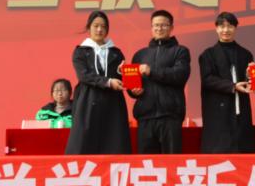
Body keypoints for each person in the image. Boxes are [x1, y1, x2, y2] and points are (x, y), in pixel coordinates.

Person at [65, 11, 132, 155]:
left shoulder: (116, 52)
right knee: (83, 144)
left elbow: (121, 80)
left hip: (112, 103)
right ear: (89, 28)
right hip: (87, 101)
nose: (99, 30)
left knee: (114, 143)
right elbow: (84, 76)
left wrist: (121, 72)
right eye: (96, 26)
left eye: (103, 26)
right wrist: (108, 82)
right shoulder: (80, 51)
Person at [128, 10, 191, 154]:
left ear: (171, 27)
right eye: (156, 25)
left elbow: (180, 75)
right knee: (146, 164)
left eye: (164, 25)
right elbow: (132, 85)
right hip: (145, 117)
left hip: (170, 117)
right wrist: (133, 91)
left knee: (171, 163)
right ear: (151, 27)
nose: (159, 28)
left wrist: (152, 71)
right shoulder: (140, 54)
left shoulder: (180, 51)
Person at [198, 11, 255, 154]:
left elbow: (249, 83)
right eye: (222, 26)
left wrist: (251, 77)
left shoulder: (245, 54)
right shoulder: (208, 54)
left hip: (240, 112)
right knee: (218, 153)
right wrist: (233, 86)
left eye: (230, 26)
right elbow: (207, 79)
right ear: (216, 28)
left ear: (235, 28)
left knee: (243, 152)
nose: (226, 30)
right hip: (218, 113)